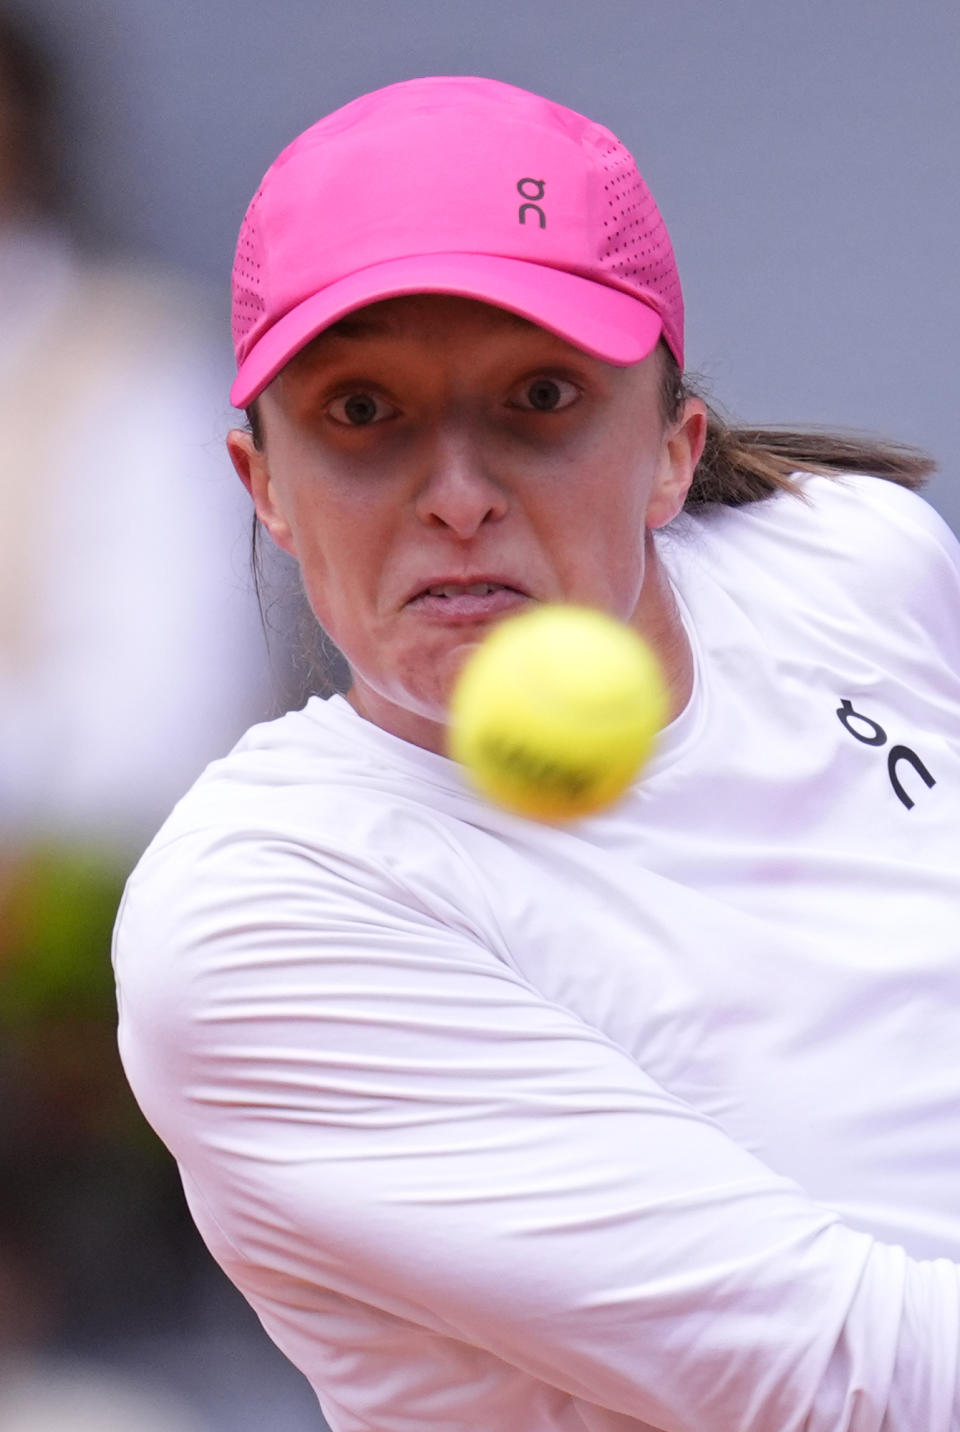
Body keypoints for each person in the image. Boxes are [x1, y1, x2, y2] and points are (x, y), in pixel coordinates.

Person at [113, 76, 960, 1432]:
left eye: (542, 395)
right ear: (261, 482)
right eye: (363, 413)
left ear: (672, 453)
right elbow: (856, 1383)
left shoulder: (852, 561)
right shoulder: (261, 912)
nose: (458, 497)